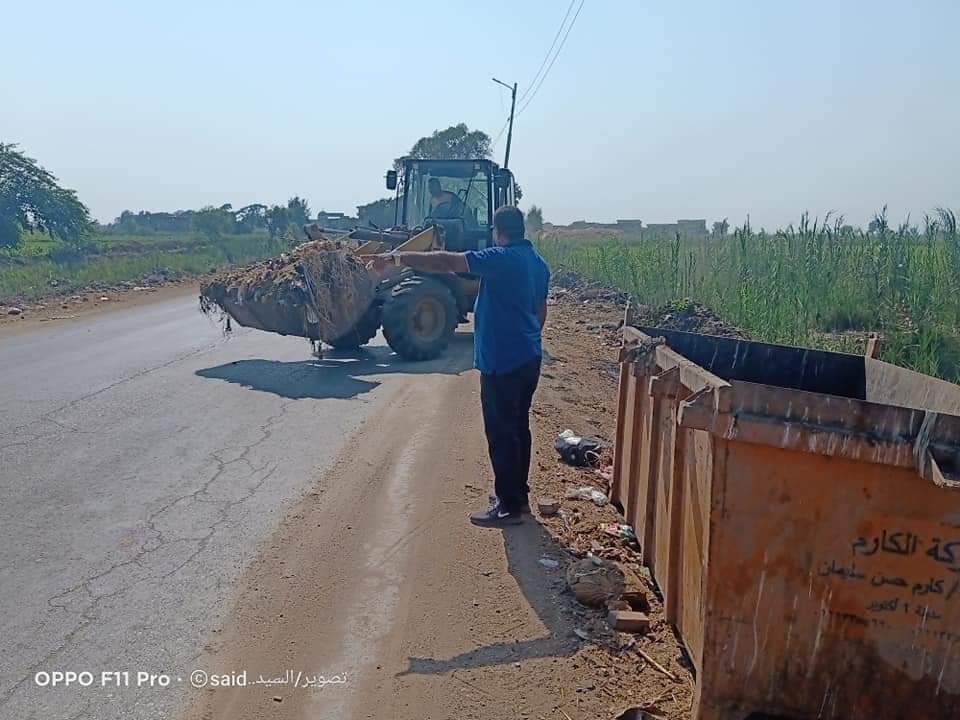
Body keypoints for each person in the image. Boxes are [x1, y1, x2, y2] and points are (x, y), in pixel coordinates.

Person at [367, 205, 550, 527]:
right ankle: (516, 496)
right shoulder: (537, 263)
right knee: (518, 428)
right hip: (527, 357)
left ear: (498, 230)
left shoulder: (501, 258)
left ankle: (508, 506)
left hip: (503, 361)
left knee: (502, 432)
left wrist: (397, 258)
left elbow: (447, 261)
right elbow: (540, 310)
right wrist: (529, 338)